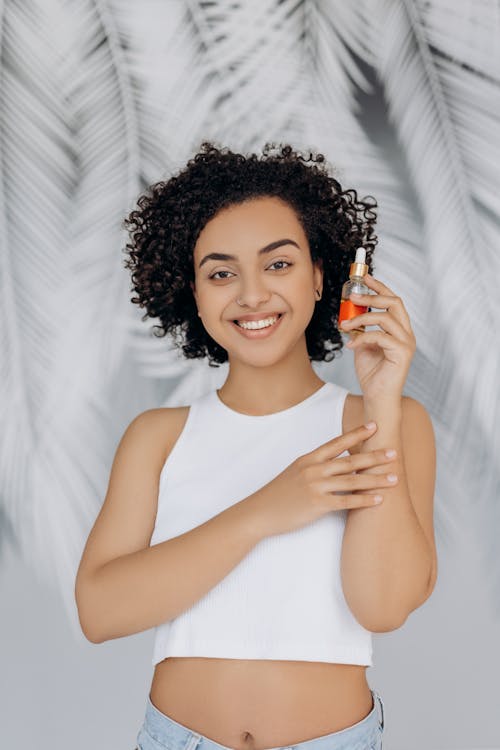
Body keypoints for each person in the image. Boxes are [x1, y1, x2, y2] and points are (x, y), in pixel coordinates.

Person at [75, 142, 437, 750]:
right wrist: (264, 511)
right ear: (193, 294)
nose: (250, 295)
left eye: (278, 264)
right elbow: (100, 612)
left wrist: (378, 399)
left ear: (322, 275)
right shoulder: (158, 437)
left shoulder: (387, 420)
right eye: (221, 273)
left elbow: (383, 606)